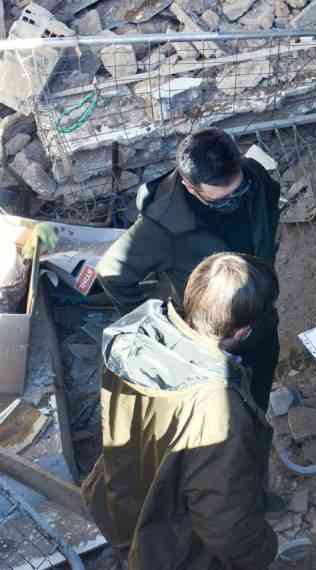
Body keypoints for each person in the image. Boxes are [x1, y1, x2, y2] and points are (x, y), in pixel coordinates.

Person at [83, 252, 280, 570]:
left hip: (120, 502)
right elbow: (223, 520)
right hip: (173, 548)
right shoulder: (219, 411)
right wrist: (261, 552)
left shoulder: (135, 338)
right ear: (242, 332)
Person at [95, 127, 281, 410]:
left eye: (239, 190)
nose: (236, 201)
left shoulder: (253, 176)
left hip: (259, 313)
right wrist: (158, 324)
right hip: (212, 339)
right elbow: (111, 272)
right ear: (189, 185)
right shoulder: (160, 226)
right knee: (222, 405)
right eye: (222, 200)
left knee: (259, 383)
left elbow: (268, 208)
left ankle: (258, 419)